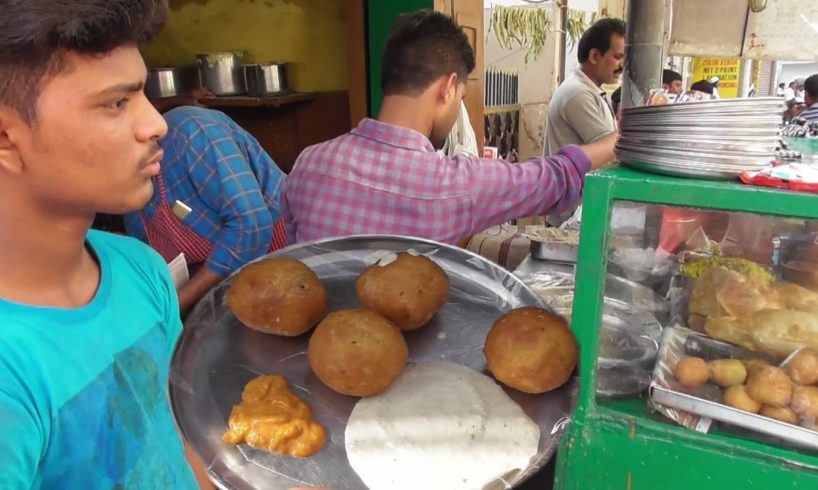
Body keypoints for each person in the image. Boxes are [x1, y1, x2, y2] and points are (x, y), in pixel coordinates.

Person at [0, 1, 207, 488]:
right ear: (6, 139)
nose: (156, 124)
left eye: (144, 94)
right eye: (117, 102)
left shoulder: (140, 268)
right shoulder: (10, 371)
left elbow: (178, 438)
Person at [281, 11, 616, 245]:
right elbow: (554, 177)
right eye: (461, 96)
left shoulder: (308, 165)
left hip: (321, 343)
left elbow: (301, 264)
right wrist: (621, 139)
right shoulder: (455, 185)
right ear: (447, 87)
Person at [123, 105, 287, 313]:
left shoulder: (193, 132)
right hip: (218, 291)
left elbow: (251, 224)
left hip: (279, 258)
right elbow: (148, 257)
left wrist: (176, 305)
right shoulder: (123, 190)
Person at [542, 17, 625, 226]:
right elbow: (611, 152)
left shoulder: (591, 91)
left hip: (579, 210)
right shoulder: (577, 94)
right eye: (617, 57)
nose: (622, 65)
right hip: (571, 216)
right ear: (595, 56)